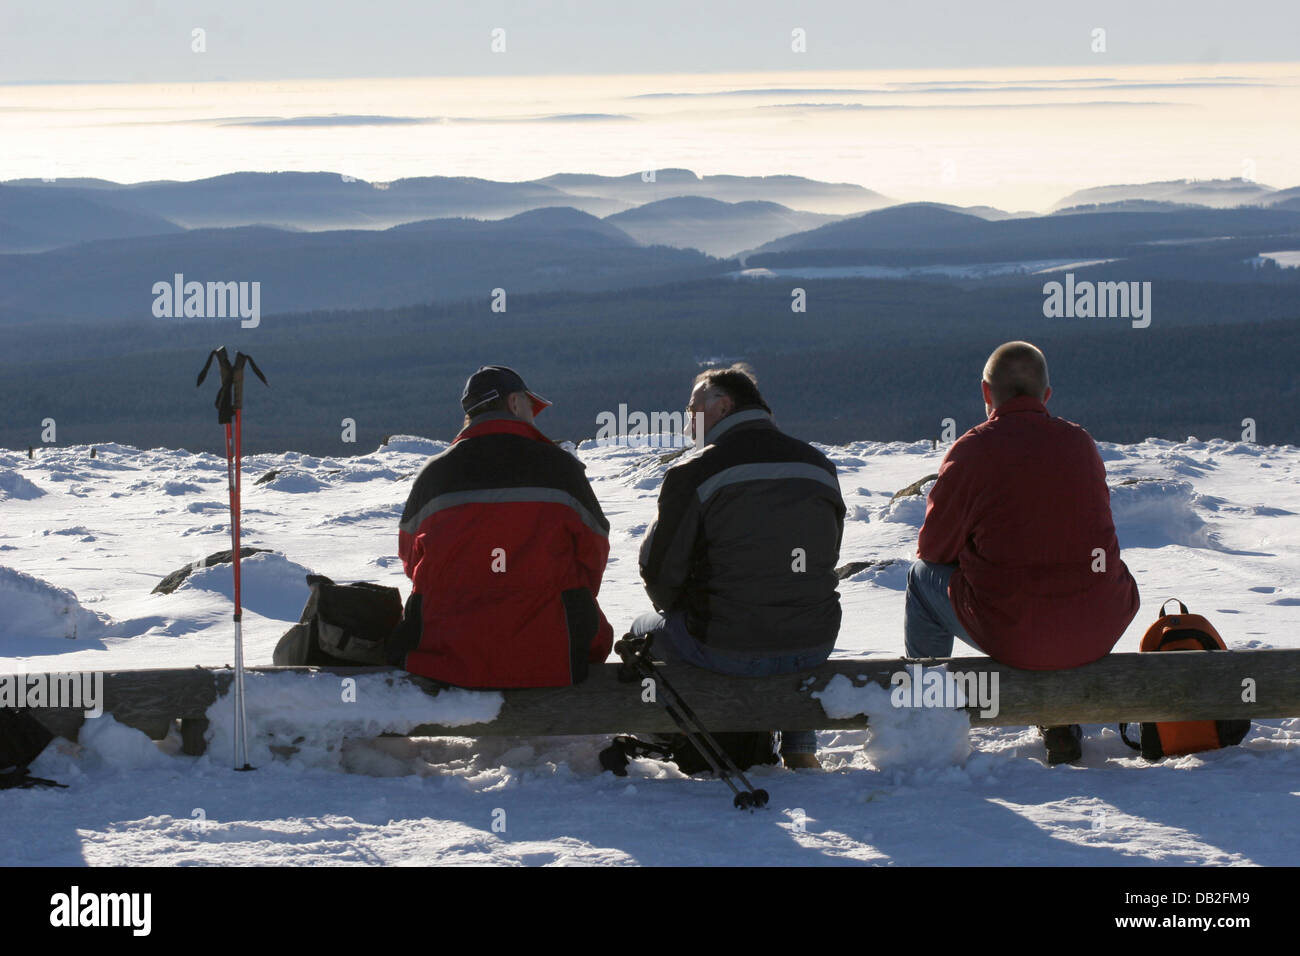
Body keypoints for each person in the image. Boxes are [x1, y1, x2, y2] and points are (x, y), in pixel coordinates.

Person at [906, 341, 1140, 764]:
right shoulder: (1081, 444)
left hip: (1013, 630)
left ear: (985, 393)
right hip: (1098, 624)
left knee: (921, 579)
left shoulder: (973, 450)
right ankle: (1058, 720)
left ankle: (923, 719)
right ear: (1046, 395)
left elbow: (933, 548)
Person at [636, 364, 845, 769]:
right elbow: (825, 557)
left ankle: (682, 734)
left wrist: (678, 607)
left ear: (723, 406)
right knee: (790, 626)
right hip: (815, 642)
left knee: (644, 630)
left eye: (692, 408)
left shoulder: (694, 472)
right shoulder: (818, 466)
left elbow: (661, 575)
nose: (686, 421)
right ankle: (800, 749)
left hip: (726, 648)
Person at [390, 365, 614, 688]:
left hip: (445, 656)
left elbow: (410, 561)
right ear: (514, 404)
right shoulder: (560, 468)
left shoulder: (433, 474)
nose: (534, 417)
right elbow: (594, 553)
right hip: (551, 654)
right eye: (530, 407)